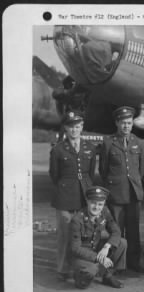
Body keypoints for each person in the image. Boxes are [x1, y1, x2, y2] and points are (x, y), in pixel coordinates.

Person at [49, 110, 96, 281]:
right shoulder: (58, 150)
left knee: (83, 235)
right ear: (66, 129)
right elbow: (54, 175)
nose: (74, 130)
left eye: (77, 126)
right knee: (64, 234)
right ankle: (62, 269)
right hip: (65, 198)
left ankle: (81, 267)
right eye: (71, 127)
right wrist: (66, 187)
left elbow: (90, 173)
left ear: (82, 127)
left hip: (84, 197)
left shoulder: (89, 148)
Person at [99, 106, 144, 272]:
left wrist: (133, 182)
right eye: (123, 123)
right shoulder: (108, 143)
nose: (126, 126)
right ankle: (117, 263)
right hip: (116, 193)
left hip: (134, 193)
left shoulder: (139, 143)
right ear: (117, 123)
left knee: (133, 230)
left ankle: (134, 263)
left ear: (132, 124)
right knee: (117, 230)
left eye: (129, 123)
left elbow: (141, 169)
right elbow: (103, 170)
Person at [70, 186, 126, 289]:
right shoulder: (77, 219)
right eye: (93, 203)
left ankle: (107, 275)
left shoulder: (104, 211)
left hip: (98, 248)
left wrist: (106, 247)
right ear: (87, 201)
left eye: (100, 204)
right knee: (87, 277)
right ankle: (81, 275)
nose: (97, 207)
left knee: (122, 243)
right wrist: (99, 258)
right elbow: (75, 248)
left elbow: (116, 231)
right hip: (83, 255)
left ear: (104, 203)